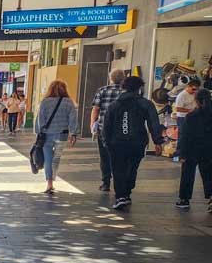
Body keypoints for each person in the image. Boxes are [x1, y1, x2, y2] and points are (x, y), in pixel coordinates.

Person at [102, 75, 164, 210]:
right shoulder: (146, 103)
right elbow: (154, 123)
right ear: (139, 88)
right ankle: (127, 193)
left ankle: (120, 197)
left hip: (116, 143)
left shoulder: (114, 105)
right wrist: (158, 142)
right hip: (137, 142)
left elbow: (106, 125)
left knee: (118, 169)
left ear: (123, 87)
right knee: (132, 168)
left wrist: (106, 142)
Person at [34, 80, 79, 195]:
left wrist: (38, 132)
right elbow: (73, 119)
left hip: (46, 135)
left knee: (48, 159)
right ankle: (52, 181)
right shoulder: (69, 102)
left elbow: (40, 119)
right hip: (62, 134)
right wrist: (73, 133)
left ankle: (49, 183)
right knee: (56, 158)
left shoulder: (45, 102)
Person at [90, 69, 126, 192]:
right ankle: (119, 182)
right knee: (119, 156)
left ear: (111, 78)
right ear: (123, 79)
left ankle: (106, 183)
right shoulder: (126, 92)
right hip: (121, 130)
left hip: (103, 129)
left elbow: (96, 109)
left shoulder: (102, 90)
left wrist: (92, 125)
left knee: (104, 156)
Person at [176, 87, 212, 210]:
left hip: (191, 149)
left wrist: (182, 153)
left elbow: (185, 136)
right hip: (209, 149)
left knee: (187, 173)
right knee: (209, 174)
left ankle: (184, 199)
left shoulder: (191, 116)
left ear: (196, 101)